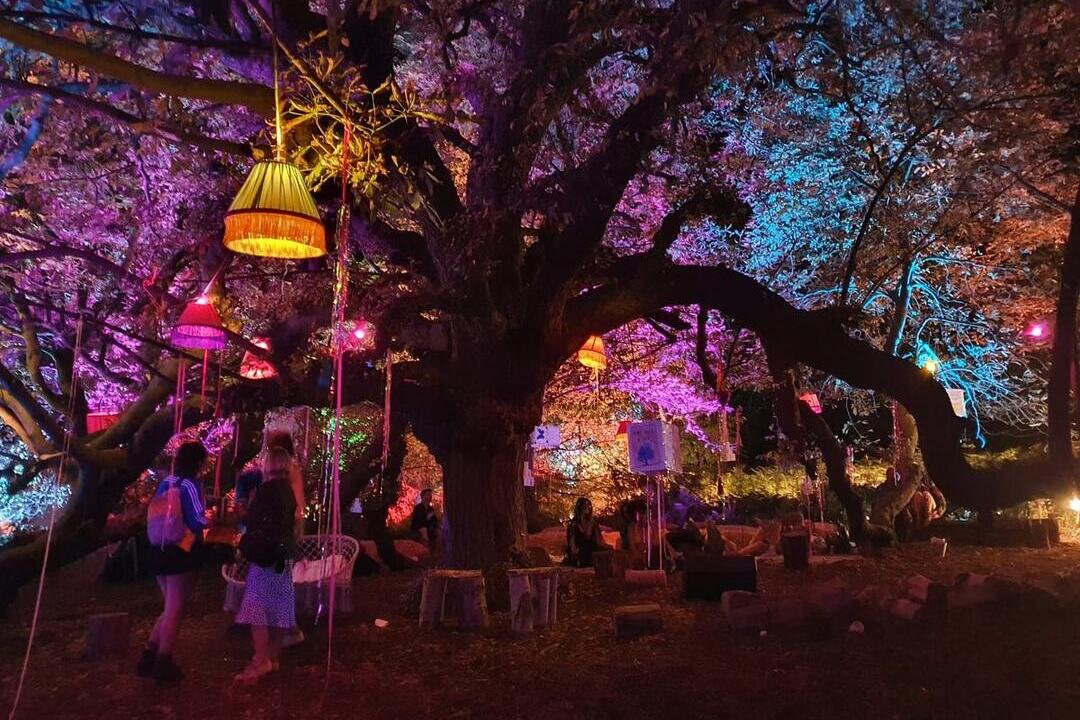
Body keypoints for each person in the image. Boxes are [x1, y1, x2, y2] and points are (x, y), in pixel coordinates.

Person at [137, 441, 208, 686]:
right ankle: (163, 661)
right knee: (175, 609)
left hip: (158, 549)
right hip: (181, 553)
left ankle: (149, 654)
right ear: (198, 462)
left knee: (169, 606)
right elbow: (198, 519)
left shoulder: (166, 483)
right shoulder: (190, 484)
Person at [234, 446, 298, 684]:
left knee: (257, 607)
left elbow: (254, 521)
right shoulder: (288, 491)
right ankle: (273, 656)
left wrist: (244, 511)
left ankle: (260, 661)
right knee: (278, 606)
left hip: (266, 556)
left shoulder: (266, 490)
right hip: (284, 555)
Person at [564, 497, 609, 567]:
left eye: (589, 505)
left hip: (592, 550)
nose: (587, 507)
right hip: (581, 551)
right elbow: (572, 543)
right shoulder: (574, 525)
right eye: (585, 505)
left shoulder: (593, 524)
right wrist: (575, 552)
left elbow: (599, 541)